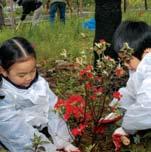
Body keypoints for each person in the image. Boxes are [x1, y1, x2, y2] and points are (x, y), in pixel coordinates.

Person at [0, 36, 80, 152]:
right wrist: (48, 149)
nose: (28, 78)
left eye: (33, 71)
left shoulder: (39, 83)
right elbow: (16, 131)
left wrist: (63, 142)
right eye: (21, 75)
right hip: (20, 140)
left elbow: (53, 110)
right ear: (3, 71)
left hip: (40, 132)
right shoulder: (3, 94)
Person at [108, 20, 151, 148]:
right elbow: (131, 91)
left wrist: (127, 128)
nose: (125, 65)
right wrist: (117, 108)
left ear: (146, 52)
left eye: (127, 60)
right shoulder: (142, 65)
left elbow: (147, 103)